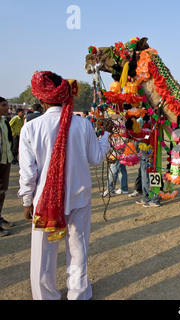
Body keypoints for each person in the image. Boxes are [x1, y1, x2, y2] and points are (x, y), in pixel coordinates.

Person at [17, 71, 112, 300]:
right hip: (79, 196)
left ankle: (45, 295)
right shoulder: (83, 125)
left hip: (44, 200)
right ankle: (78, 293)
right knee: (78, 247)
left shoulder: (31, 127)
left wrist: (27, 201)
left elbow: (28, 172)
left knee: (43, 251)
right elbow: (97, 158)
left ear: (41, 99)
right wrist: (106, 134)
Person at [0, 97, 15, 237]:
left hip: (5, 160)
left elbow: (8, 141)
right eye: (4, 105)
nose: (7, 108)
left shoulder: (4, 122)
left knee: (2, 191)